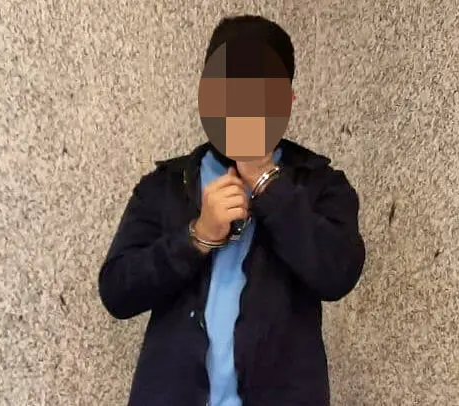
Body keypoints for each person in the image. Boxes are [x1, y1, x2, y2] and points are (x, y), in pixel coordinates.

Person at [98, 14, 366, 406]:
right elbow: (117, 291)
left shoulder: (320, 185)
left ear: (287, 102)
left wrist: (267, 183)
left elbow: (337, 275)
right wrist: (196, 237)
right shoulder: (165, 186)